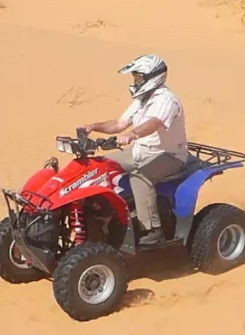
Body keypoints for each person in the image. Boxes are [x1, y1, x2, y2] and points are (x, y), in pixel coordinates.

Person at [79, 54, 190, 246]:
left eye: (138, 77)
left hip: (169, 155)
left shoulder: (166, 100)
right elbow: (119, 123)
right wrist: (92, 126)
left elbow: (153, 123)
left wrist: (132, 135)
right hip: (141, 150)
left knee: (139, 179)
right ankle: (102, 214)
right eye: (134, 77)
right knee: (102, 166)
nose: (135, 81)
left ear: (152, 77)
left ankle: (153, 230)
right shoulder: (142, 100)